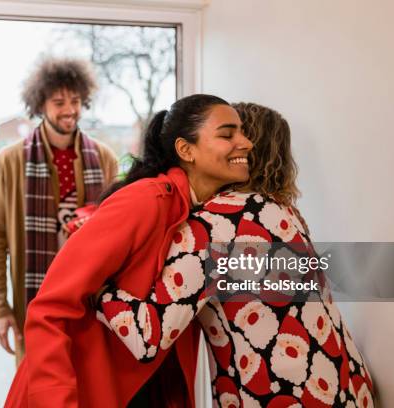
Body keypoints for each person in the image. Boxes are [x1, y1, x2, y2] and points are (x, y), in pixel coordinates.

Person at [97, 102, 375, 407]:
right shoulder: (287, 214)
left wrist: (99, 288)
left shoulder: (211, 227)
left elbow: (146, 337)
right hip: (349, 386)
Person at [4, 94, 253, 407]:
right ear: (185, 150)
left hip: (145, 387)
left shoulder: (208, 215)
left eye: (243, 133)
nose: (245, 143)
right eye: (228, 134)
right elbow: (50, 307)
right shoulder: (146, 201)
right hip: (80, 390)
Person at [0, 58, 119, 362]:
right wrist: (0, 309)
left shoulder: (104, 158)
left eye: (76, 101)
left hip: (91, 302)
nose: (70, 109)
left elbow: (118, 235)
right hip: (33, 301)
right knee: (39, 390)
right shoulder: (8, 162)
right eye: (59, 102)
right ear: (39, 105)